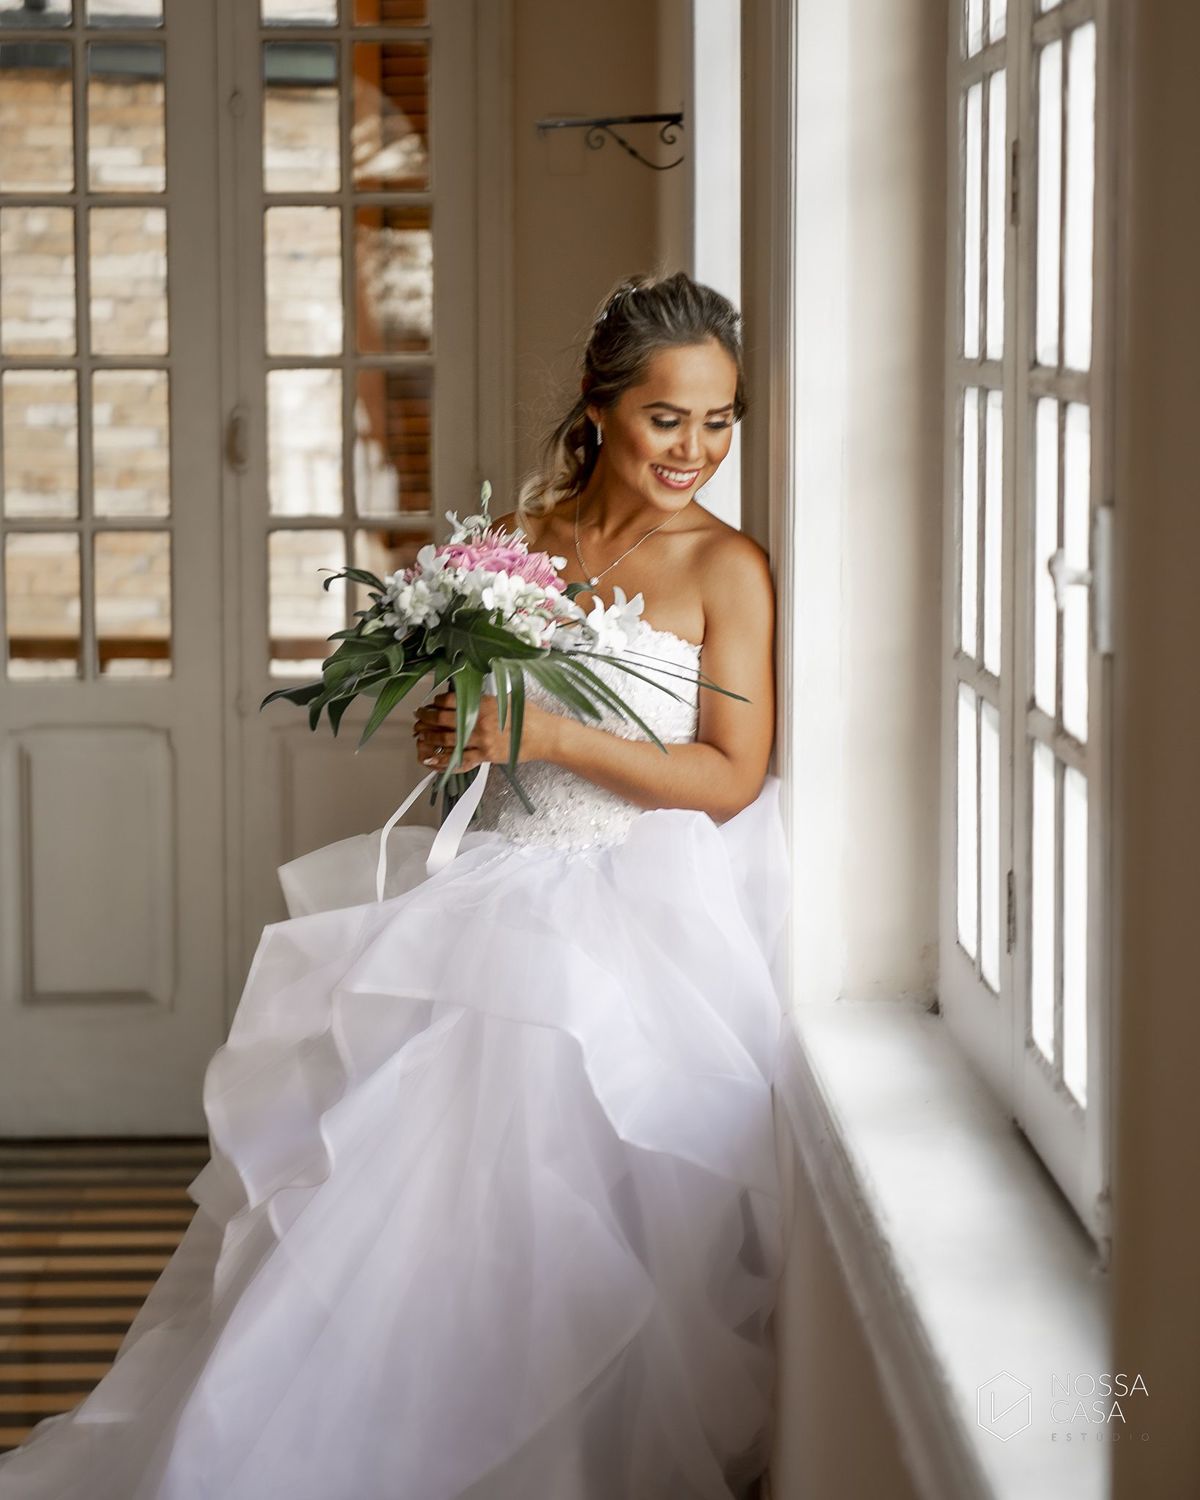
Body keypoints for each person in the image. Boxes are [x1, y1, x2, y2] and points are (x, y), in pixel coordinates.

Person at [0, 271, 790, 1500]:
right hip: (488, 901)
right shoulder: (518, 545)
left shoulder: (727, 567)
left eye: (720, 420)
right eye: (667, 417)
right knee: (404, 1216)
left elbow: (733, 776)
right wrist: (463, 731)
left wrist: (552, 734)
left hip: (626, 929)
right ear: (599, 408)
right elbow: (486, 723)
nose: (696, 449)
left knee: (572, 1244)